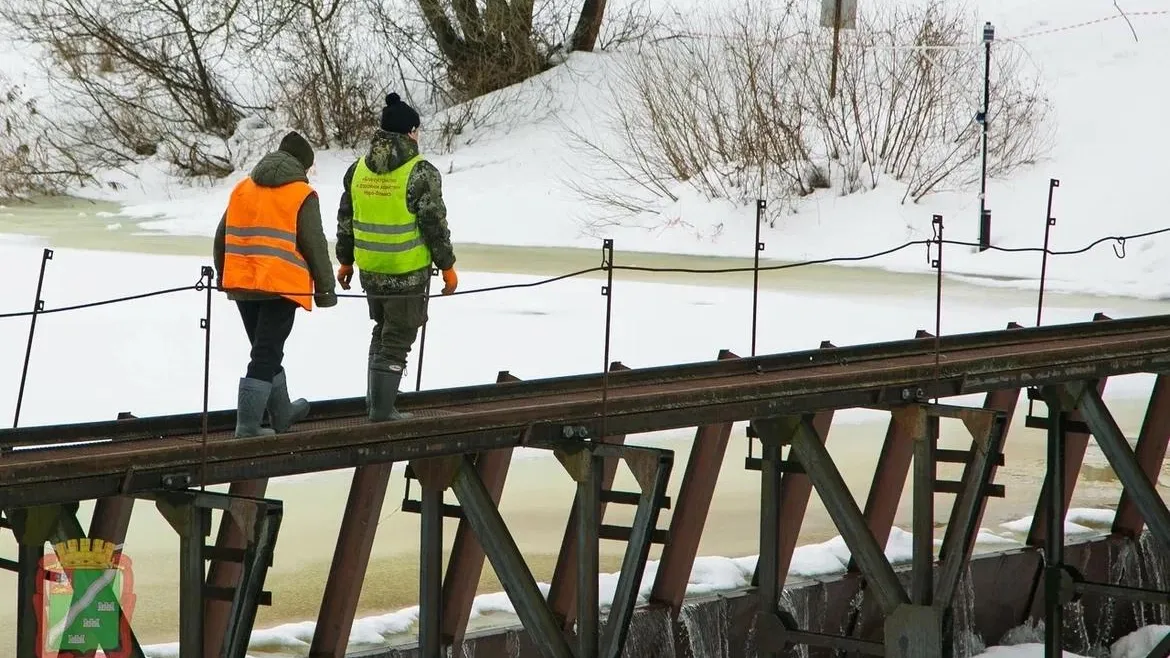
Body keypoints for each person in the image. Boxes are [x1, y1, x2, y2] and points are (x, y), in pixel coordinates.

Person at [335, 93, 458, 422]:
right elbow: (434, 224)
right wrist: (447, 266)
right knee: (398, 336)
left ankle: (376, 400)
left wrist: (345, 260)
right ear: (410, 132)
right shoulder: (420, 173)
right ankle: (382, 410)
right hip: (407, 271)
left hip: (371, 269)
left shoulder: (357, 170)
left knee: (384, 330)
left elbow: (346, 220)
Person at [213, 130, 338, 437]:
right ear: (303, 165)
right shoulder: (300, 194)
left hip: (243, 283)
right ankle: (248, 427)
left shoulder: (243, 188)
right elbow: (315, 243)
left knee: (266, 349)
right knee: (265, 353)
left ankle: (281, 414)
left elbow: (221, 237)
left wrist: (223, 275)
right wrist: (325, 289)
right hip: (281, 286)